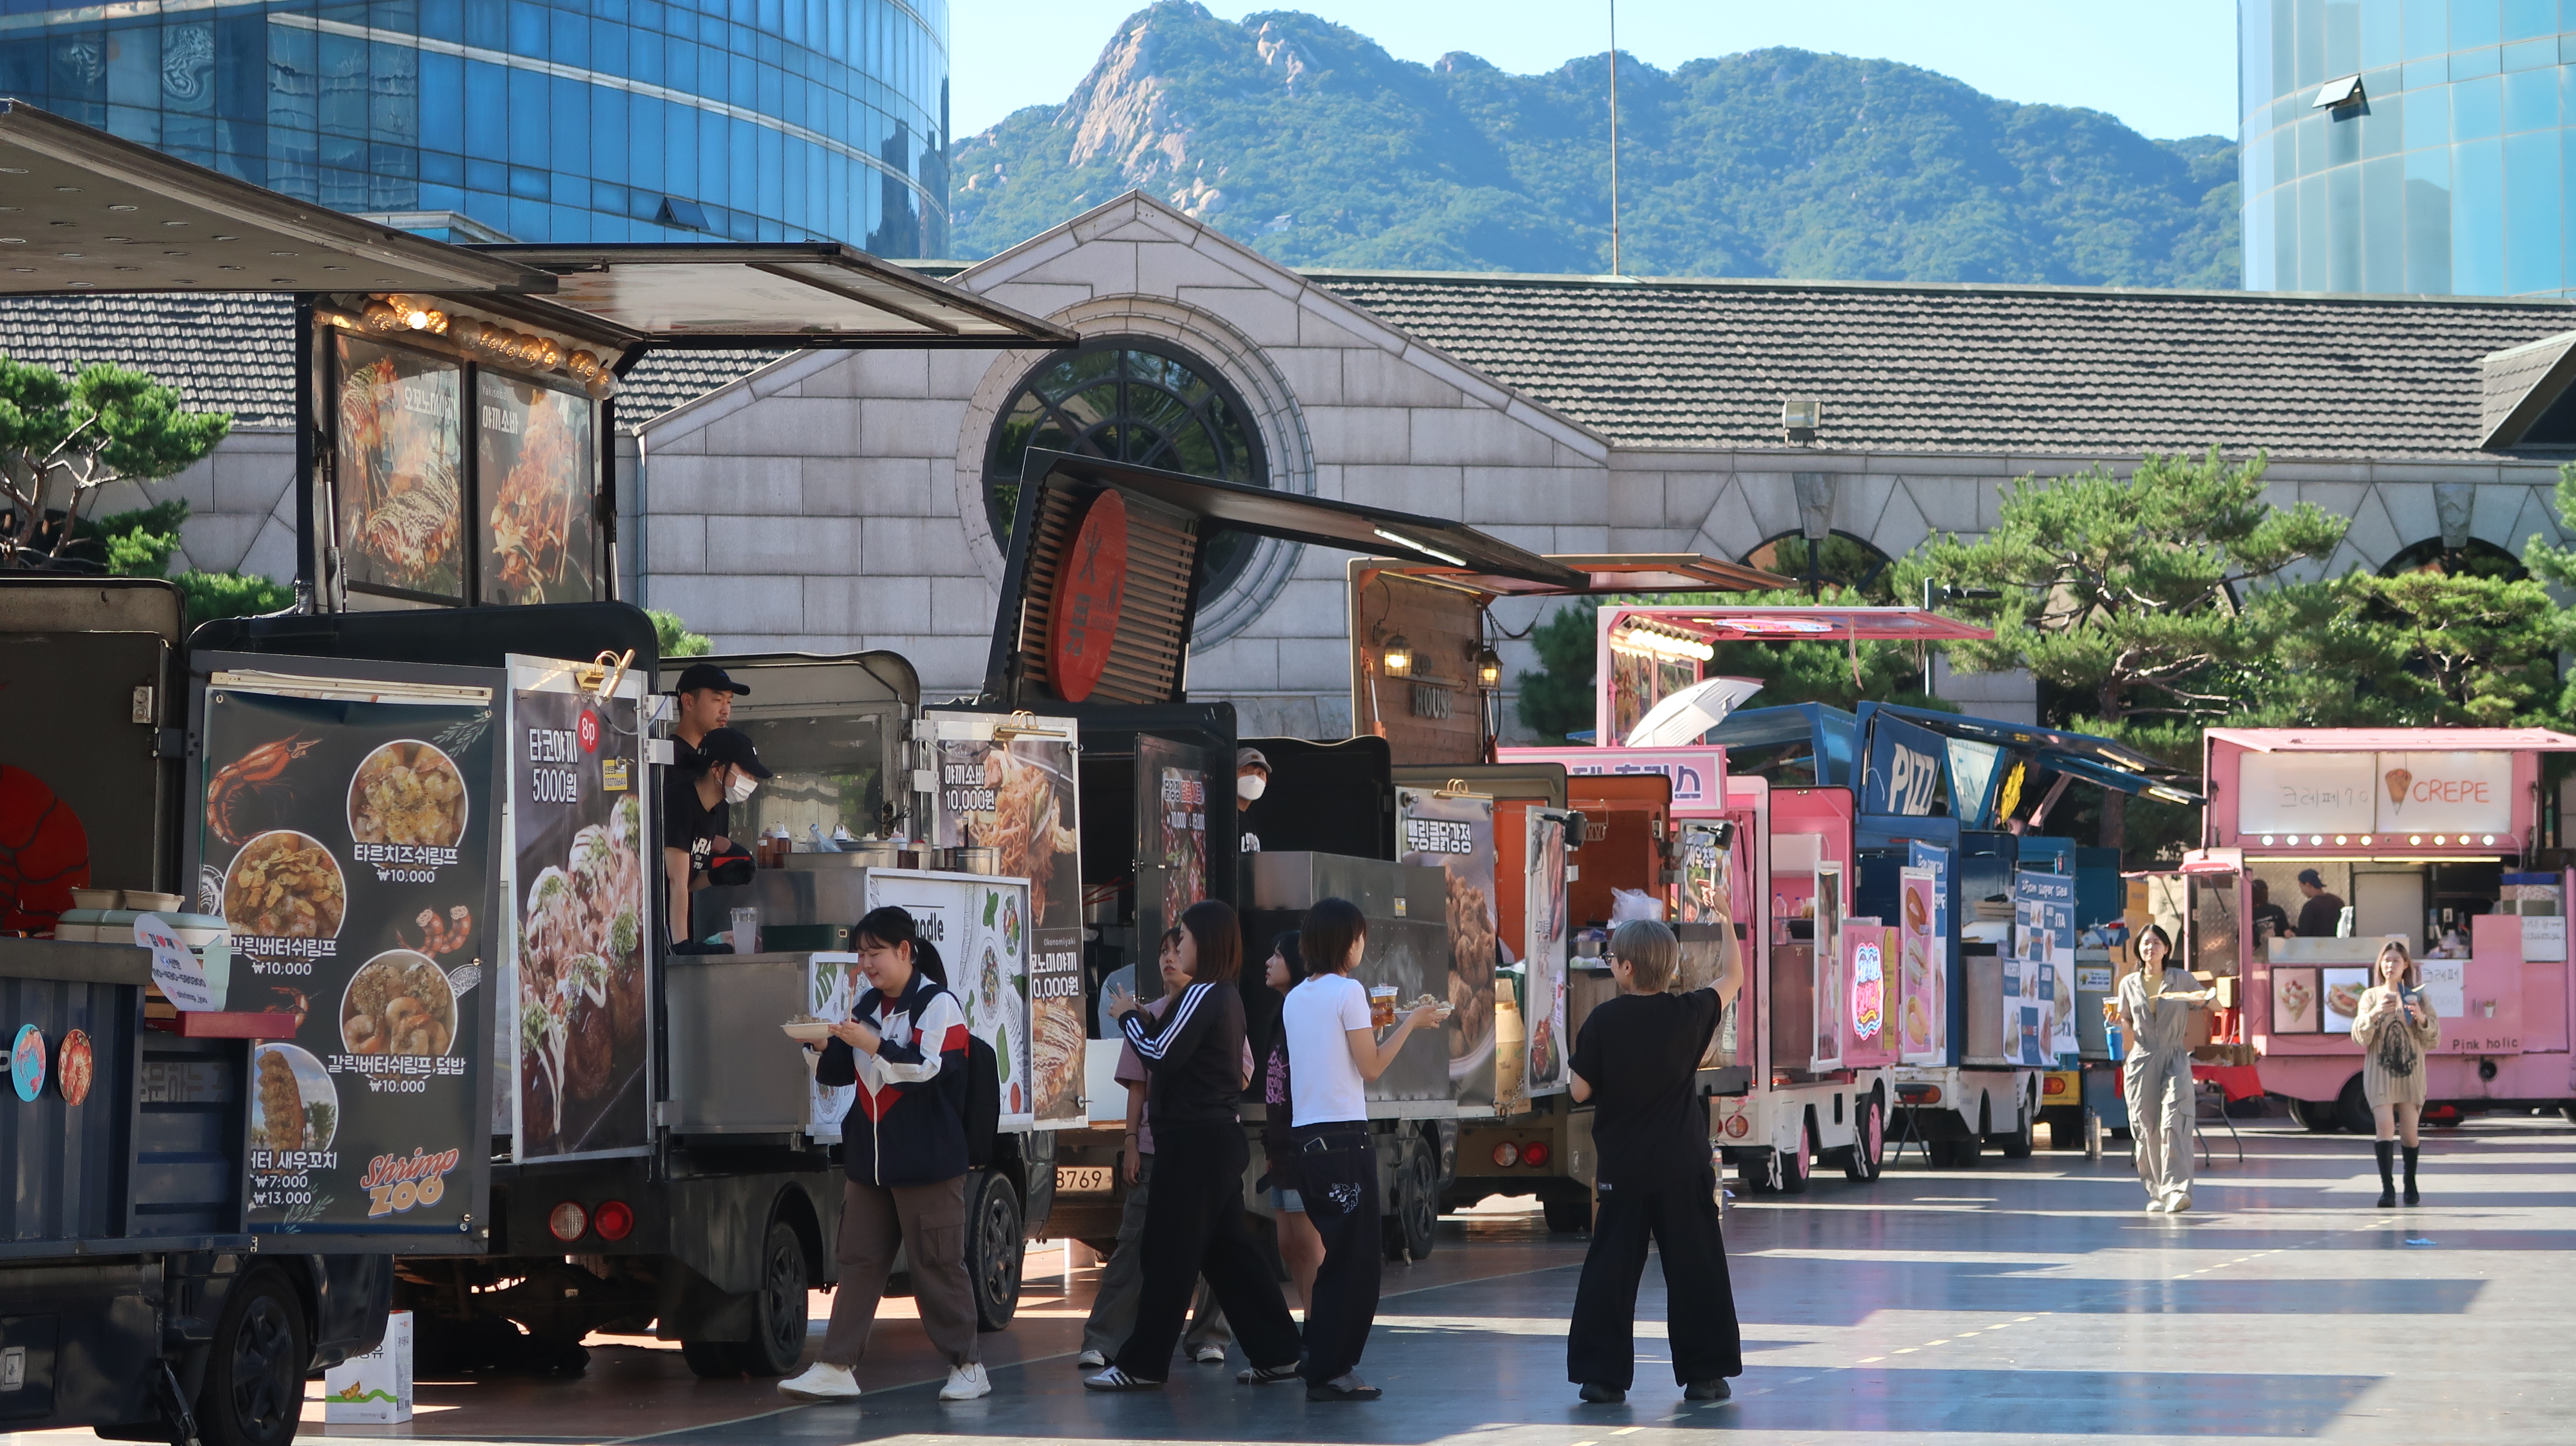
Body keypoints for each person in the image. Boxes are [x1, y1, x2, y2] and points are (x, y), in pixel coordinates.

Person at [1085, 900, 1303, 1393]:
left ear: (1205, 942)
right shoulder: (1214, 997)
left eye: (1181, 939)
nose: (1175, 948)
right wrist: (1144, 1017)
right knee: (1228, 1256)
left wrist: (1127, 1017)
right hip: (1205, 1143)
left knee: (1167, 1255)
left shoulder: (1207, 995)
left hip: (1196, 1146)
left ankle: (1142, 1365)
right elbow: (1174, 1048)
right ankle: (1280, 1351)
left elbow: (1161, 1055)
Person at [778, 907, 990, 1404]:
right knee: (857, 1262)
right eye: (861, 954)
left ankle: (968, 1365)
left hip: (928, 1163)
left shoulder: (939, 1006)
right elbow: (838, 1073)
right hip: (870, 1162)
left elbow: (928, 1071)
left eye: (875, 953)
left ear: (904, 951)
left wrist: (871, 1043)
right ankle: (836, 1365)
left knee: (937, 1265)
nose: (867, 963)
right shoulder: (867, 1001)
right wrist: (815, 1046)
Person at [1565, 918, 1745, 1406]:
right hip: (1683, 1167)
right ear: (1669, 967)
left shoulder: (1604, 1021)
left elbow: (1579, 1089)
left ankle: (1601, 1378)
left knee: (1612, 1270)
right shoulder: (1689, 1013)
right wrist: (1727, 920)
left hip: (1623, 1171)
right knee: (1696, 1266)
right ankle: (1706, 1375)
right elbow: (1733, 976)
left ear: (1625, 969)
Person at [1279, 898, 1441, 1401]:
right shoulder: (1349, 990)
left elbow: (1342, 1054)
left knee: (1340, 1255)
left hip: (1308, 1140)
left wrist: (1388, 1022)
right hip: (1345, 1139)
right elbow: (1369, 1069)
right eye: (1360, 936)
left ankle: (1324, 1361)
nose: (1363, 944)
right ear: (1348, 943)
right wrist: (1411, 1024)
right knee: (1358, 1261)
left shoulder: (1296, 998)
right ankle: (1331, 1367)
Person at [1077, 927, 1240, 1370]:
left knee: (1214, 1245)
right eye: (1164, 950)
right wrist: (1130, 1142)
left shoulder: (1217, 1004)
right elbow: (1137, 1085)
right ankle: (1104, 1338)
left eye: (1178, 948)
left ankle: (1209, 1336)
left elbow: (1240, 1075)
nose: (1170, 957)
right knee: (1133, 1246)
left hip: (1203, 1143)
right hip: (1154, 1148)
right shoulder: (1147, 1014)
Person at [2111, 924, 2211, 1214]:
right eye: (2145, 944)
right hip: (2141, 1060)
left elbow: (2210, 1001)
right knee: (2146, 1128)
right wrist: (2117, 1021)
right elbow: (2126, 1021)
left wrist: (2201, 998)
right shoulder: (2128, 984)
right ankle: (2157, 1191)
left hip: (2174, 1056)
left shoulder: (2180, 978)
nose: (2150, 948)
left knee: (2174, 1122)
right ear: (2138, 950)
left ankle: (2178, 1190)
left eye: (2156, 943)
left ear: (2167, 948)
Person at [1255, 928, 1325, 1316]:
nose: (1268, 963)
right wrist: (1271, 1145)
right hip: (1281, 1150)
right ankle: (1310, 1326)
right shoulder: (1278, 1018)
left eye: (1277, 956)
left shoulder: (1305, 1015)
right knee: (1287, 1246)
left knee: (1308, 1244)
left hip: (1304, 1148)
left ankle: (1320, 1330)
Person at [2352, 940, 2442, 1208]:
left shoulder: (2417, 996)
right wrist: (2375, 1014)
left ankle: (2410, 1183)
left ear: (2406, 966)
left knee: (2410, 1134)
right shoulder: (2370, 996)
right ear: (2381, 965)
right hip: (2380, 1071)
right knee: (2384, 1126)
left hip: (2411, 1071)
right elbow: (2360, 1036)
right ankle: (2387, 1189)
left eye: (2397, 961)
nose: (2391, 965)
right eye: (2387, 960)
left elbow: (2434, 1038)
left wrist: (2421, 1018)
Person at [663, 725, 768, 948]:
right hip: (651, 924)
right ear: (717, 769)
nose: (750, 780)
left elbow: (688, 881)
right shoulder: (681, 802)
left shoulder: (711, 811)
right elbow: (676, 882)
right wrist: (681, 945)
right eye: (745, 772)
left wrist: (716, 877)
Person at [1235, 747, 1271, 853]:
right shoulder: (1223, 816)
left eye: (1260, 774)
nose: (1254, 779)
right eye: (1246, 771)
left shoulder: (1253, 818)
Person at [2294, 869, 2346, 938]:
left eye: (2301, 886)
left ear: (2308, 885)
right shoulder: (2338, 901)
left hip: (2317, 946)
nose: (2302, 891)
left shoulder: (2310, 906)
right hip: (2337, 946)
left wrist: (2293, 931)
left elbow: (2304, 934)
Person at [2249, 878, 2291, 943]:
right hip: (2277, 951)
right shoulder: (2277, 910)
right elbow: (2288, 934)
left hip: (2258, 952)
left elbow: (2242, 941)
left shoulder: (2249, 915)